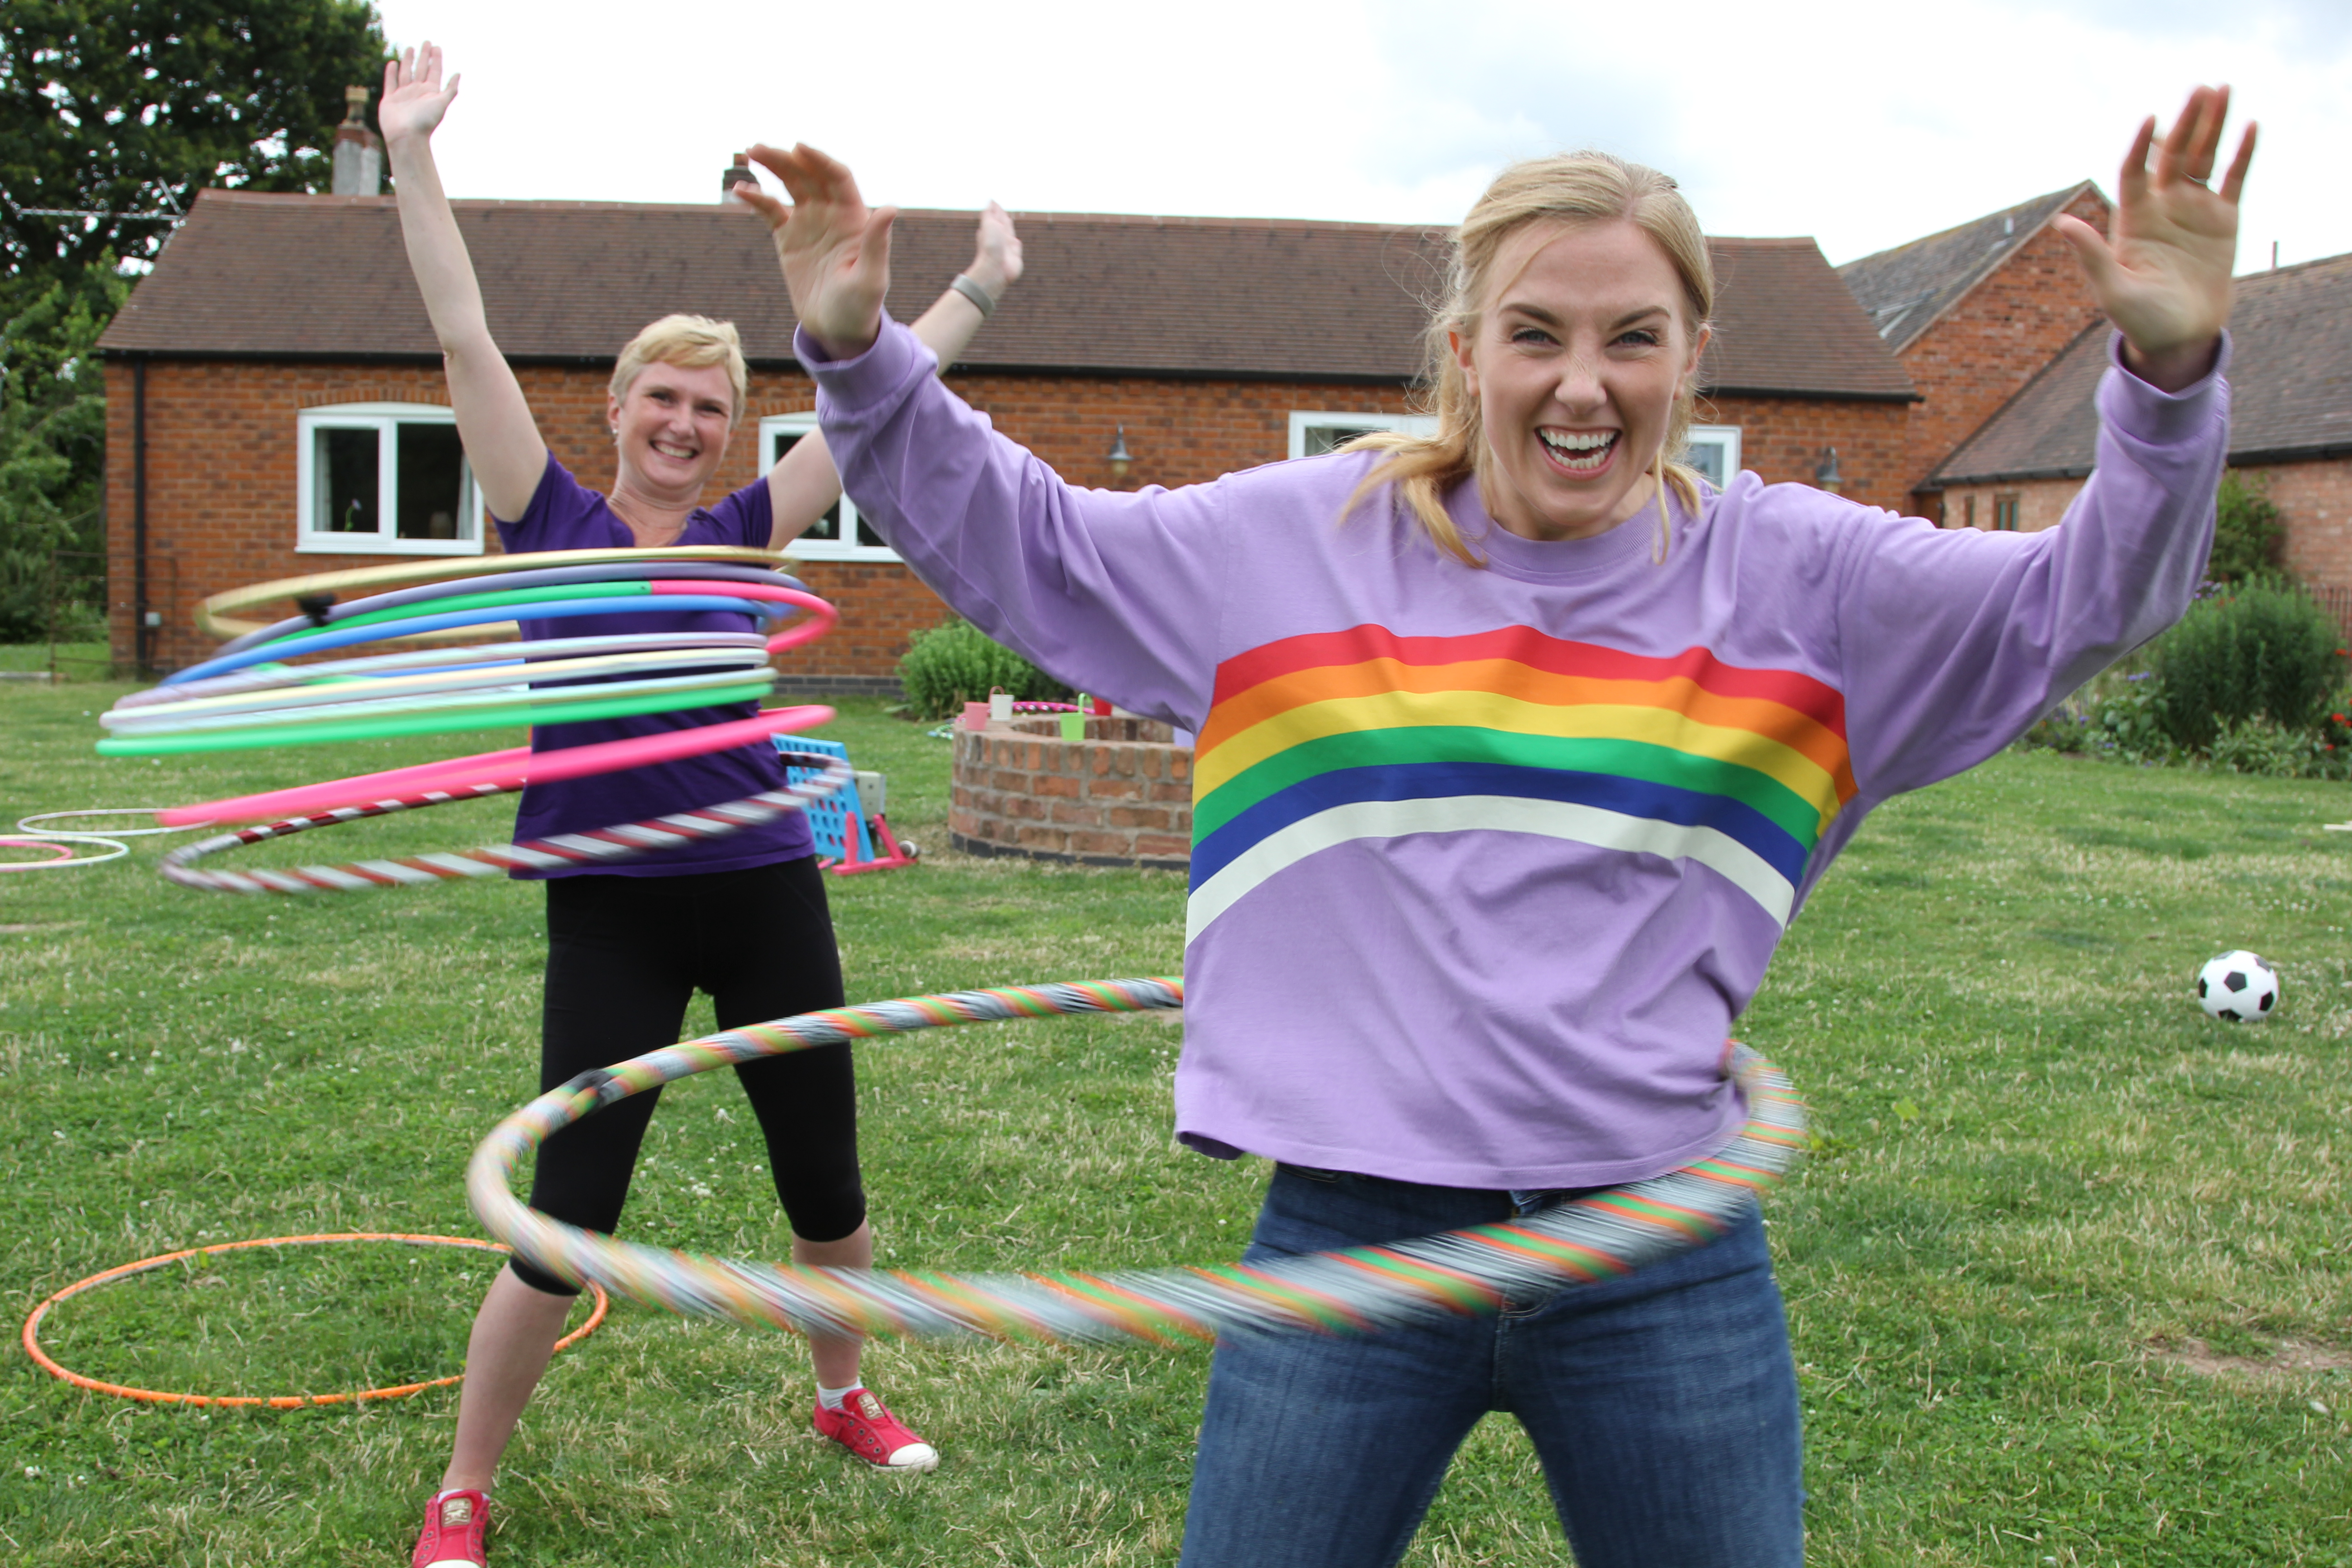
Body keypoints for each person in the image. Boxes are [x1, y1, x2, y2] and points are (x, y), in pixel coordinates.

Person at [742, 85, 2253, 1568]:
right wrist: (858, 356)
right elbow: (1032, 544)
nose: (1582, 385)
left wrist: (2169, 379)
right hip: (1350, 1239)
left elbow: (2086, 602)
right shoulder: (1298, 548)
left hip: (1660, 1245)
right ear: (1466, 353)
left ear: (1694, 360)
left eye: (1631, 339)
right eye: (1536, 334)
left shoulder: (1810, 587)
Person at [377, 44, 1025, 1568]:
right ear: (615, 408)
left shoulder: (746, 533)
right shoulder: (550, 518)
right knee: (572, 1207)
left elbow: (877, 404)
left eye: (712, 407)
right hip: (611, 895)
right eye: (663, 400)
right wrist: (414, 153)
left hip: (760, 881)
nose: (686, 424)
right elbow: (463, 330)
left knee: (827, 1183)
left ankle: (843, 1393)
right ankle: (465, 1487)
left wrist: (984, 282)